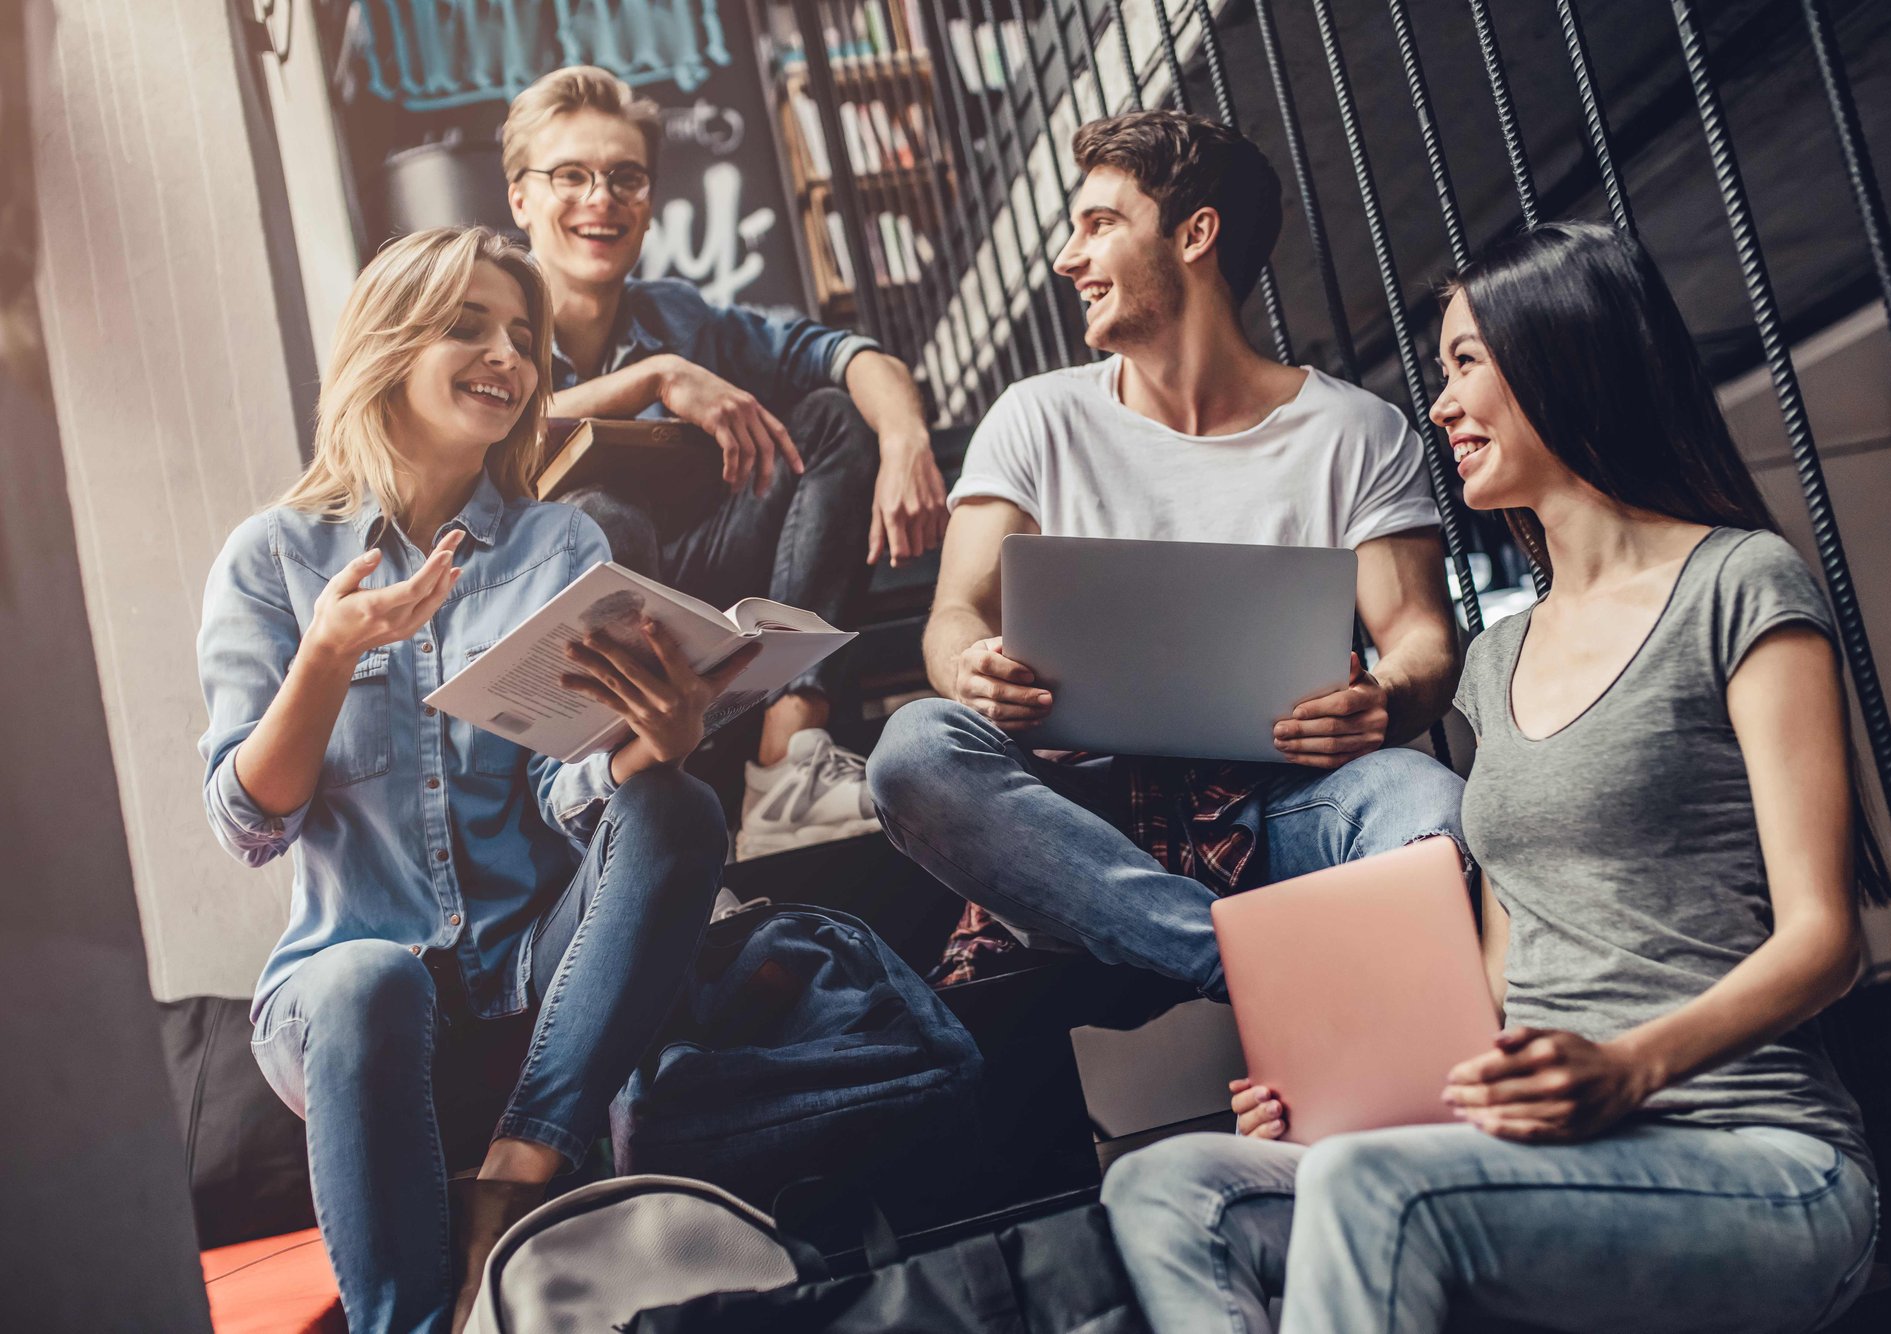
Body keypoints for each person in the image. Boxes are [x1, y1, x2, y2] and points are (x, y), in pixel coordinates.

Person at [1102, 222, 1884, 1333]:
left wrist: (1624, 1066)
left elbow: (1823, 940)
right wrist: (1335, 1102)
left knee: (1375, 1188)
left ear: (1562, 355)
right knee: (1165, 1186)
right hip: (1540, 1156)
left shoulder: (1738, 584)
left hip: (1750, 1155)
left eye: (1465, 361)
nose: (1437, 405)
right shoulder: (1496, 659)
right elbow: (1490, 991)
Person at [197, 227, 757, 1334]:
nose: (507, 355)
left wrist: (660, 736)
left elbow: (578, 787)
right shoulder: (273, 558)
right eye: (468, 328)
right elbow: (248, 821)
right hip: (345, 997)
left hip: (535, 976)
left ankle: (520, 1167)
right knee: (371, 980)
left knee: (675, 805)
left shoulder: (559, 543)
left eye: (520, 335)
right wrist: (326, 656)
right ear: (390, 344)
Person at [865, 110, 1465, 995]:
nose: (1068, 259)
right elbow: (956, 613)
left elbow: (1421, 634)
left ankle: (1234, 961)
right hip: (1082, 820)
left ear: (1196, 234)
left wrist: (1383, 695)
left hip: (1277, 804)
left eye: (1099, 224)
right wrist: (969, 670)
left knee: (1426, 804)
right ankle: (1260, 974)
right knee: (915, 749)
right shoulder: (1037, 416)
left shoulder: (1355, 431)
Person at [503, 65, 950, 858]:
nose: (601, 197)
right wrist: (654, 378)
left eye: (626, 177)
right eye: (570, 175)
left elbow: (842, 353)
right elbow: (474, 437)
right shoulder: (487, 323)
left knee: (828, 417)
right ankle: (627, 818)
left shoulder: (679, 314)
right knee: (596, 518)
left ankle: (788, 762)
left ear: (647, 203)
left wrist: (906, 438)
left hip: (708, 600)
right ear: (520, 199)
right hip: (559, 654)